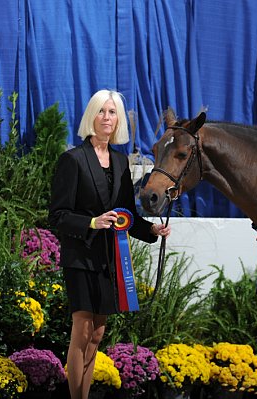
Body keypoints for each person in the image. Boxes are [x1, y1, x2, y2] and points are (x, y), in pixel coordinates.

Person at [49, 89, 171, 399]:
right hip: (80, 257)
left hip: (108, 259)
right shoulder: (72, 160)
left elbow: (126, 215)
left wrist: (153, 230)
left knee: (98, 333)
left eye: (112, 112)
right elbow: (58, 216)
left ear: (118, 121)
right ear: (92, 116)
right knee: (82, 329)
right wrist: (91, 222)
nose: (107, 117)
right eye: (102, 111)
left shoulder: (120, 162)